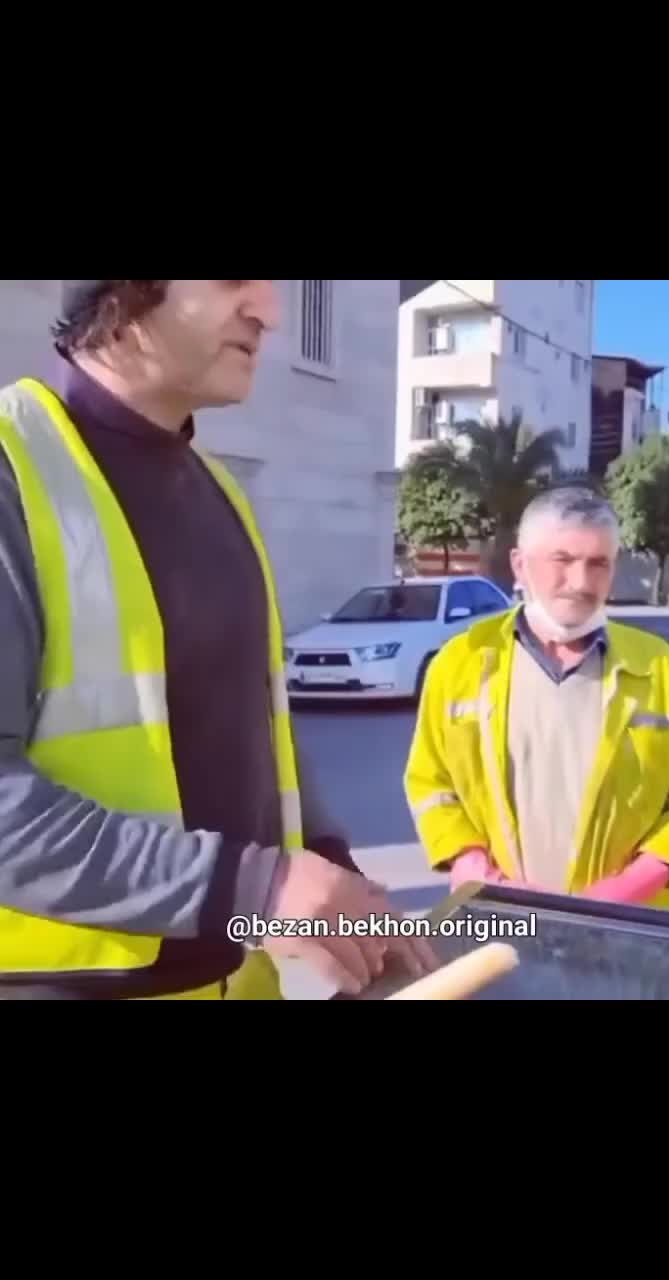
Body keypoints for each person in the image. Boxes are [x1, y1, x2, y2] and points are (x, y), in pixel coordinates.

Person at [0, 279, 436, 1000]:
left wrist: (330, 870)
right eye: (234, 279)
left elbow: (260, 735)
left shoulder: (222, 495)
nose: (270, 312)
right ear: (121, 294)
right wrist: (255, 886)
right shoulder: (13, 472)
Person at [405, 487, 669, 909]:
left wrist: (628, 889)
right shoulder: (462, 663)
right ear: (520, 565)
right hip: (498, 917)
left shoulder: (659, 667)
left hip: (630, 925)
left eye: (598, 563)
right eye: (563, 560)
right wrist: (472, 867)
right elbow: (430, 783)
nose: (581, 582)